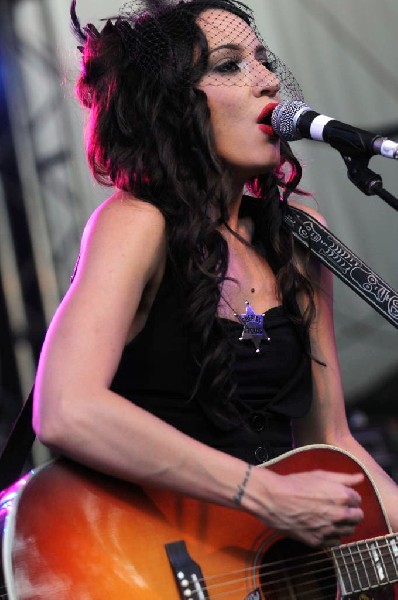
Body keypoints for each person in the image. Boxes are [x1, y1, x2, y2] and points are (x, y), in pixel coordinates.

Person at [33, 0, 398, 552]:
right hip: (160, 560)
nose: (268, 80)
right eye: (229, 65)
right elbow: (66, 409)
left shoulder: (299, 238)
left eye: (264, 59)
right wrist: (264, 493)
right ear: (172, 105)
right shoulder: (135, 223)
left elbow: (331, 439)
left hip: (274, 568)